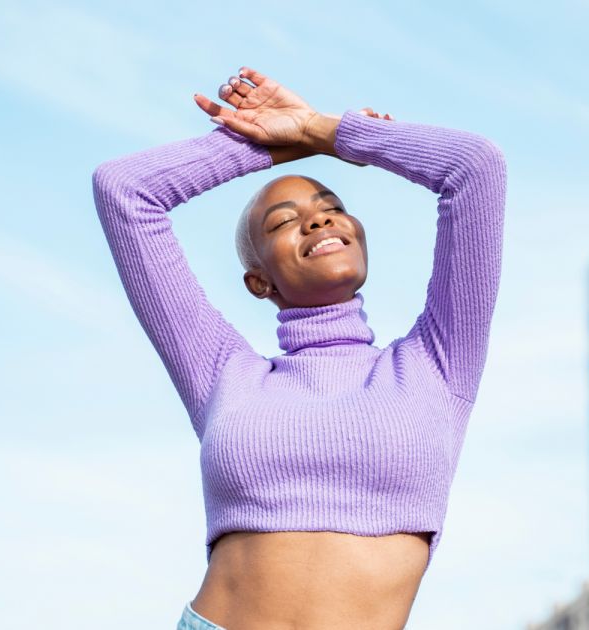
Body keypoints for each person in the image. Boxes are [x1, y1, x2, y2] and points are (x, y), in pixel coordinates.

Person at [91, 66, 506, 629]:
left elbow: (474, 169)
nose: (318, 219)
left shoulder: (436, 362)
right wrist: (265, 146)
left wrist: (322, 133)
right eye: (284, 221)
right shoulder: (223, 374)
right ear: (258, 282)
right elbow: (125, 191)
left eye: (331, 207)